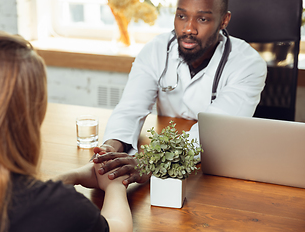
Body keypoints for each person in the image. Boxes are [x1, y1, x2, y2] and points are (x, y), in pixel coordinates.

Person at [0, 30, 132, 232]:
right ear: (27, 118)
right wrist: (115, 184)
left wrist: (74, 175)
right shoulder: (60, 209)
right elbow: (118, 231)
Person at [93, 0, 267, 186]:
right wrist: (111, 147)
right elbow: (130, 108)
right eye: (181, 16)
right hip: (165, 161)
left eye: (202, 19)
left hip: (216, 171)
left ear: (224, 20)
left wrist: (150, 163)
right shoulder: (156, 49)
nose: (188, 29)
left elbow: (214, 132)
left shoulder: (248, 64)